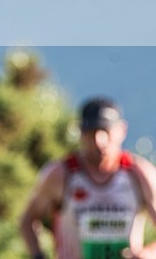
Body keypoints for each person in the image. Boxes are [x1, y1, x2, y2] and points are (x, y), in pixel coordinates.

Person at [20, 98, 156, 259]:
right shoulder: (62, 174)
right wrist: (38, 255)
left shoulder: (139, 174)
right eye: (91, 132)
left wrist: (148, 253)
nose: (100, 141)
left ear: (122, 130)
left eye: (106, 131)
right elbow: (28, 219)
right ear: (81, 133)